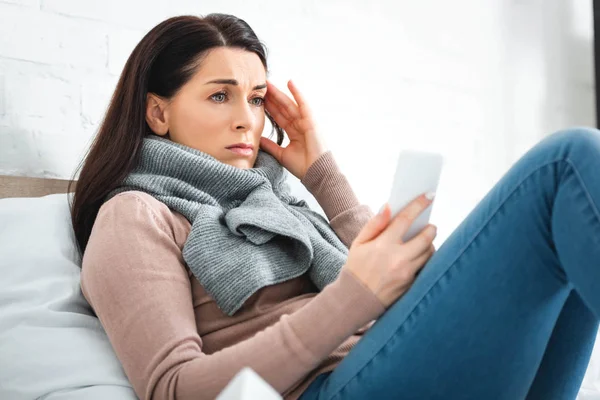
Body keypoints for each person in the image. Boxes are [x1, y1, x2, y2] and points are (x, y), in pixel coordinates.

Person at [69, 13, 600, 400]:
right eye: (219, 96)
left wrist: (321, 174)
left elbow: (405, 293)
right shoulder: (134, 215)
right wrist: (353, 297)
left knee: (563, 241)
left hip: (376, 358)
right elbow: (172, 388)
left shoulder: (276, 200)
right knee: (566, 166)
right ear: (157, 113)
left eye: (256, 99)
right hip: (327, 389)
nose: (248, 122)